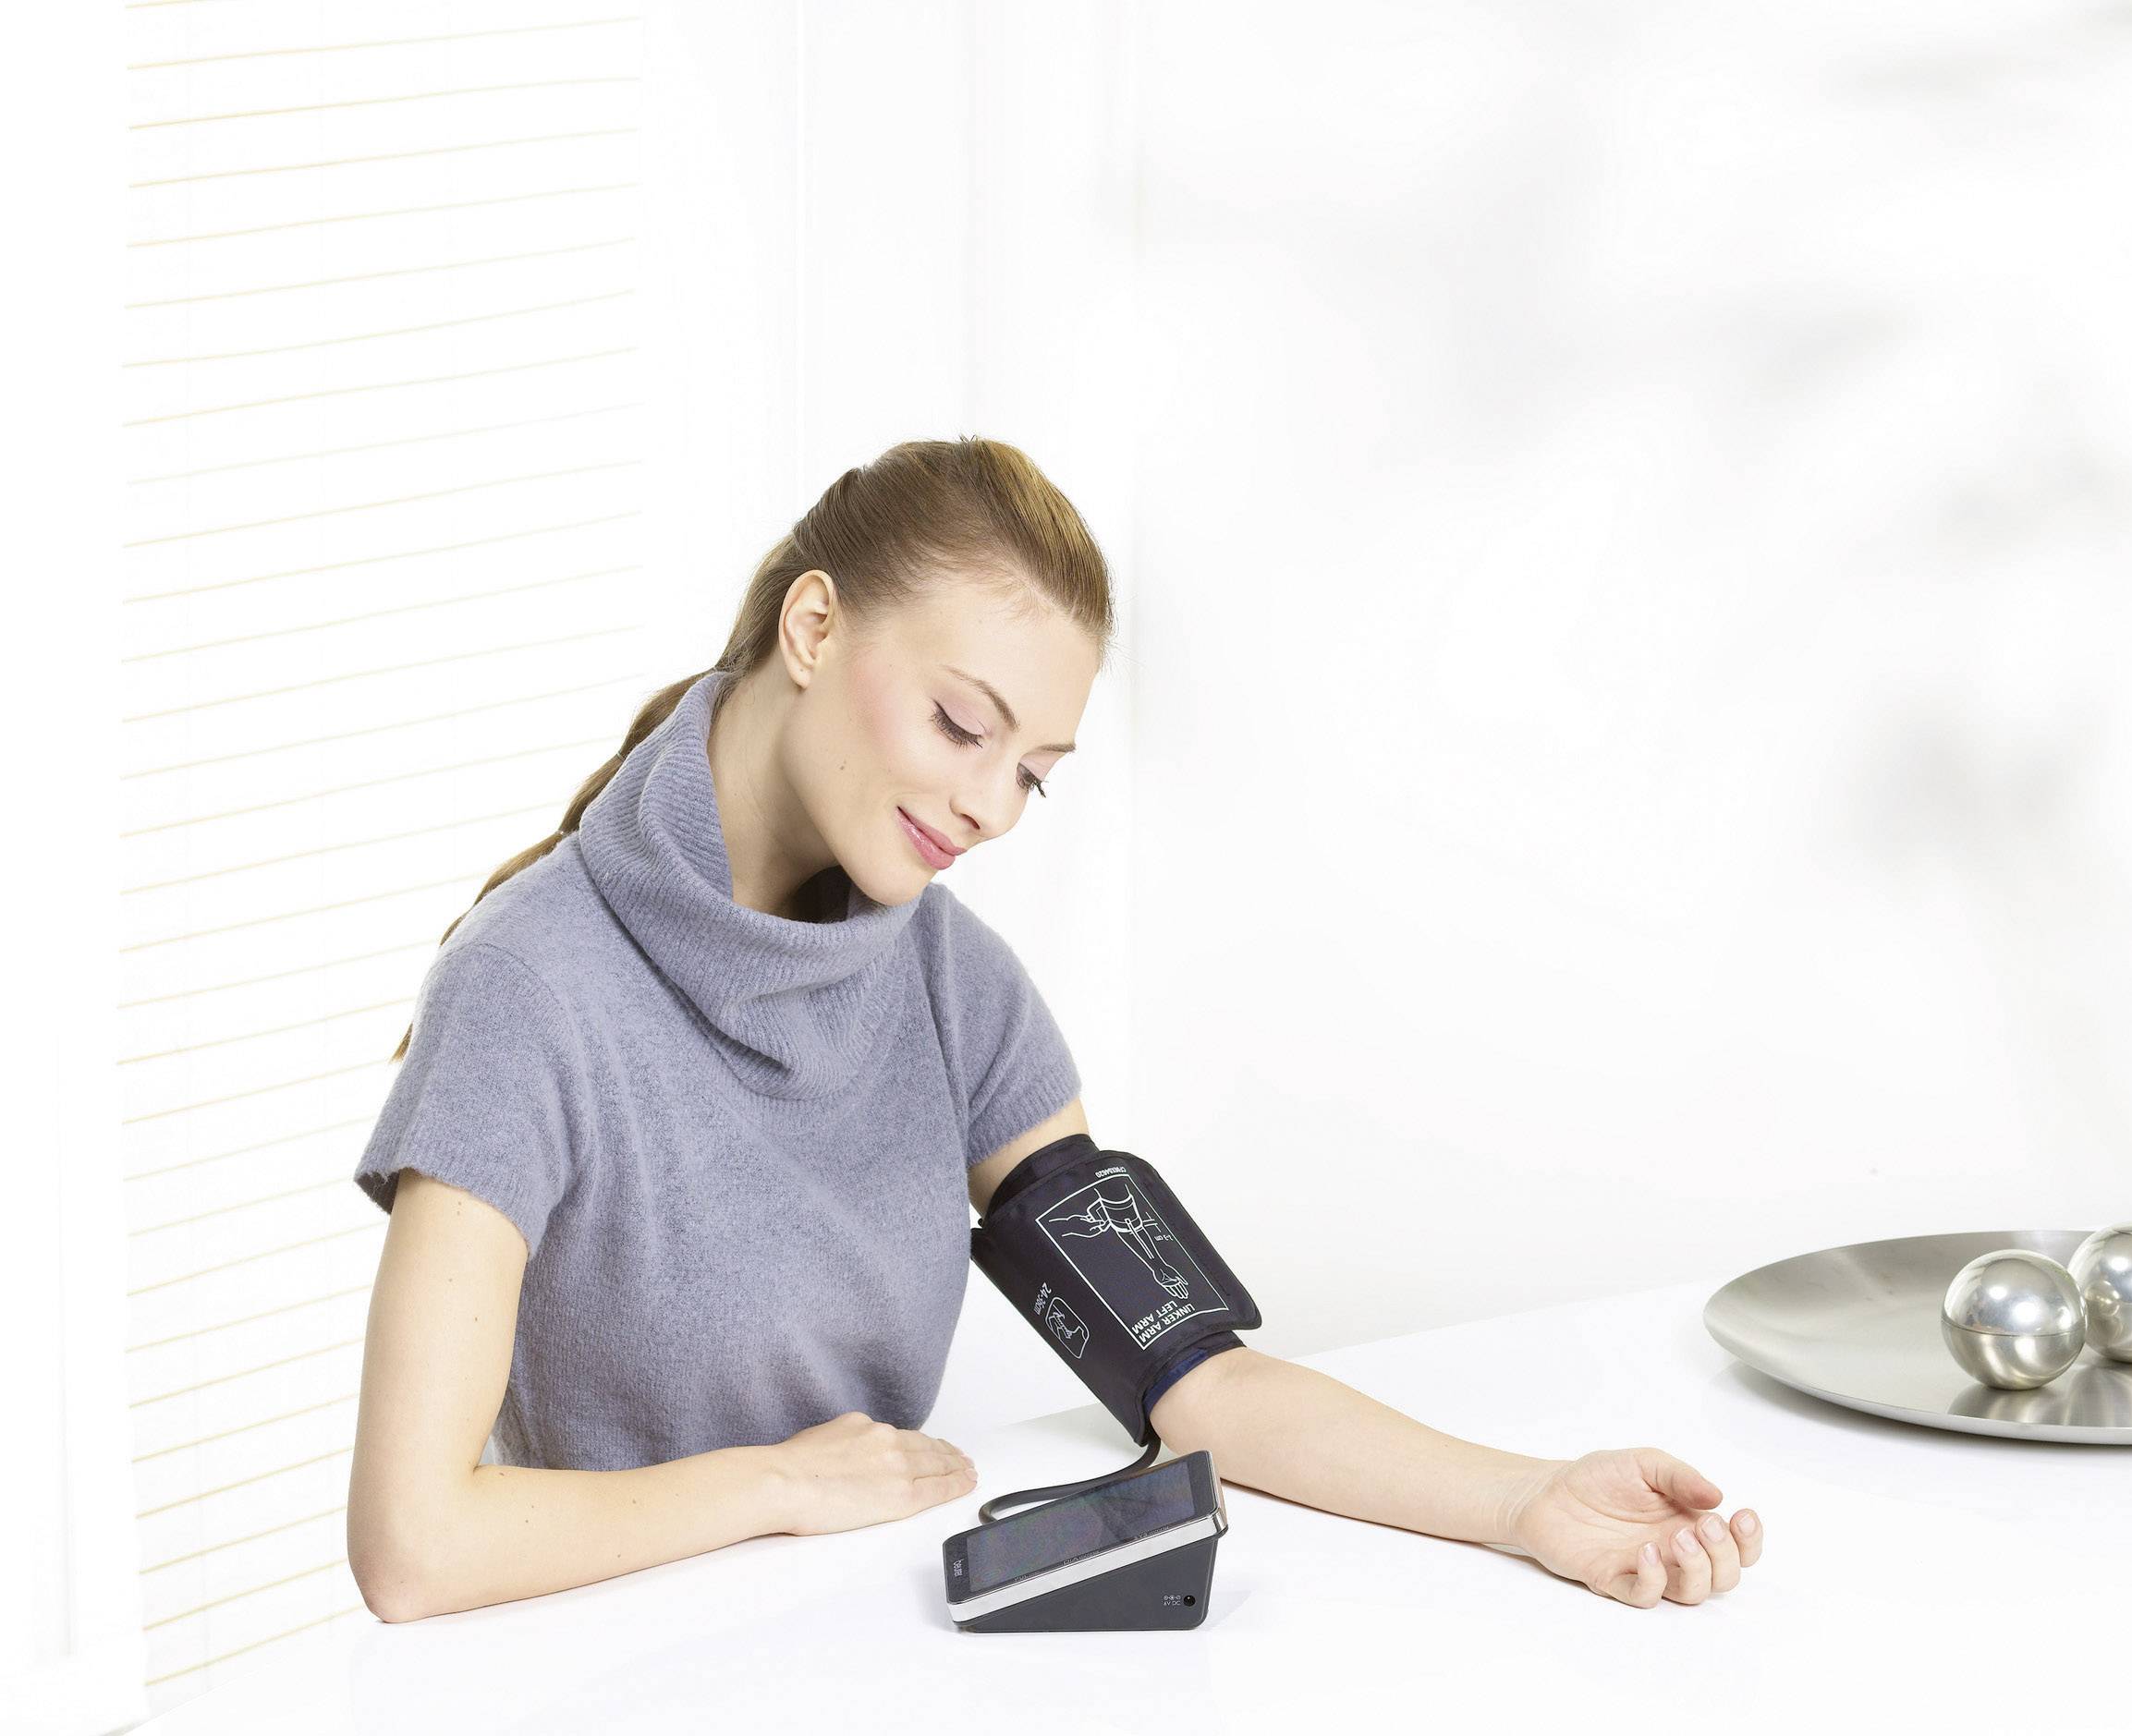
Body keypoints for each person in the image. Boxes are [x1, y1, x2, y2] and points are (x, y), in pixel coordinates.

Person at [344, 436, 1765, 1623]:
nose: (988, 807)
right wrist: (775, 1484)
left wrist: (1526, 1499)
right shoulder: (530, 987)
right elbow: (415, 1546)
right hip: (589, 1677)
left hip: (853, 1660)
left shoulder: (954, 988)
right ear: (815, 627)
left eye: (1034, 773)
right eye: (963, 726)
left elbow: (1196, 1382)